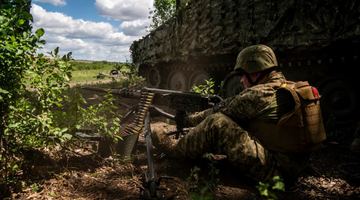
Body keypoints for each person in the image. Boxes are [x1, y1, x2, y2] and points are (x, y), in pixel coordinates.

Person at [151, 44, 322, 183]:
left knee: (216, 123)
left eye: (243, 74)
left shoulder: (259, 94)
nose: (241, 80)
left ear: (256, 71)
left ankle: (174, 148)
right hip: (295, 164)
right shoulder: (288, 86)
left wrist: (187, 120)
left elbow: (218, 111)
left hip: (277, 172)